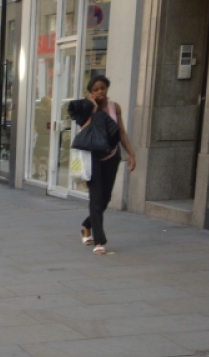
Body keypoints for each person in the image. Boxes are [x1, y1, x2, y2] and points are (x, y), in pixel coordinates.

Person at [79, 74, 136, 255]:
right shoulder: (88, 108)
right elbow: (83, 130)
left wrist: (132, 154)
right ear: (91, 93)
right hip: (93, 159)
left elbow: (122, 133)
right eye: (95, 89)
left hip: (112, 157)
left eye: (102, 88)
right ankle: (99, 242)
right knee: (96, 200)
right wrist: (94, 109)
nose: (100, 92)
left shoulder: (114, 107)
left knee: (105, 200)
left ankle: (87, 225)